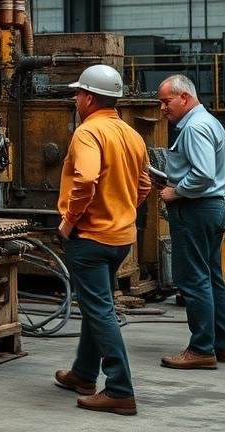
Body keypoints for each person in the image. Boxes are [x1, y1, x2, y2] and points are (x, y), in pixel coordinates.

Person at [53, 64, 151, 416]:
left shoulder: (87, 133)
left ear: (90, 98)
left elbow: (86, 179)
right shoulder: (132, 134)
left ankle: (120, 389)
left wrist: (68, 222)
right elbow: (144, 185)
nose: (76, 98)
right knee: (99, 305)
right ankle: (82, 373)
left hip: (90, 238)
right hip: (120, 237)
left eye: (78, 93)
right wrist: (121, 209)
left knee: (101, 311)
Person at [156, 74, 225, 369]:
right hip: (211, 208)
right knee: (212, 278)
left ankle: (202, 348)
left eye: (166, 101)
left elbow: (202, 174)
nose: (163, 108)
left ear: (184, 98)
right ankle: (223, 345)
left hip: (196, 209)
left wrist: (175, 191)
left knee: (194, 280)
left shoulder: (194, 127)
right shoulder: (208, 122)